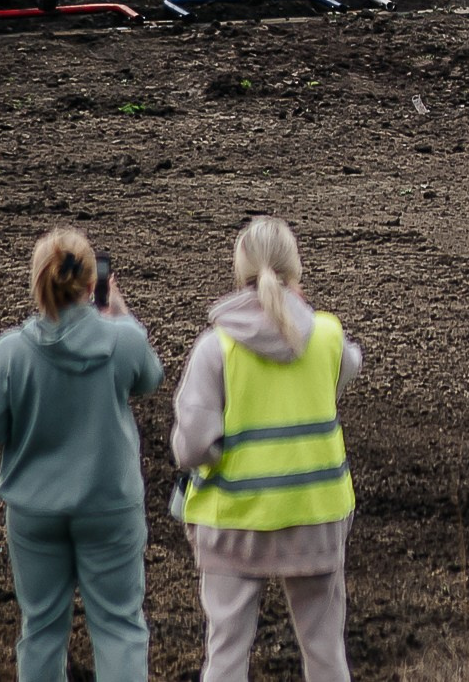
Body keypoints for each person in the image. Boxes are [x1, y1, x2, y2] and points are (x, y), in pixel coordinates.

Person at [0, 229, 162, 682]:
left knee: (41, 630)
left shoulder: (10, 352)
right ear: (95, 283)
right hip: (109, 503)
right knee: (119, 626)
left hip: (34, 508)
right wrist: (122, 317)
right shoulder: (123, 340)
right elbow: (150, 378)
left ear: (38, 282)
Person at [173, 217, 361, 682]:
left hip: (233, 522)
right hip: (315, 515)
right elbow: (347, 364)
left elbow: (192, 446)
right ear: (296, 272)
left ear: (239, 272)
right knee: (325, 652)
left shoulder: (215, 348)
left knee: (226, 655)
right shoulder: (327, 336)